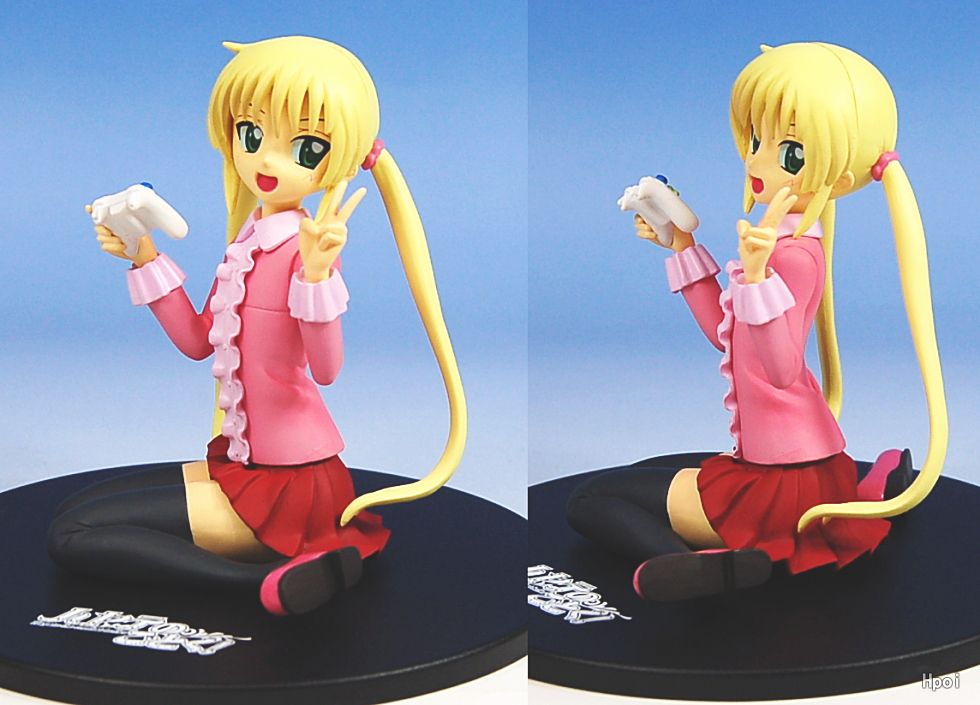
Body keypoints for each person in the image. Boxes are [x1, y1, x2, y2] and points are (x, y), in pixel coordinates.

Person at [49, 36, 467, 617]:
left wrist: (317, 276)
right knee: (83, 505)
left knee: (74, 534)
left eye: (305, 146)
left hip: (292, 486)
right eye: (252, 134)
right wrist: (143, 255)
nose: (267, 161)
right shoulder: (248, 241)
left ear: (340, 159)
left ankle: (269, 583)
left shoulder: (303, 252)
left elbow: (327, 368)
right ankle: (309, 567)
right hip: (249, 463)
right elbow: (199, 341)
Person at [567, 42, 947, 601]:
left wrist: (756, 275)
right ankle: (871, 487)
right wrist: (684, 247)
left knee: (591, 501)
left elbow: (781, 366)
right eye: (755, 140)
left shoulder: (792, 256)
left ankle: (697, 566)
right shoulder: (784, 245)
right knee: (664, 470)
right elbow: (728, 338)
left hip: (780, 486)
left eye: (788, 152)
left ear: (837, 171)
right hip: (799, 463)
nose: (755, 162)